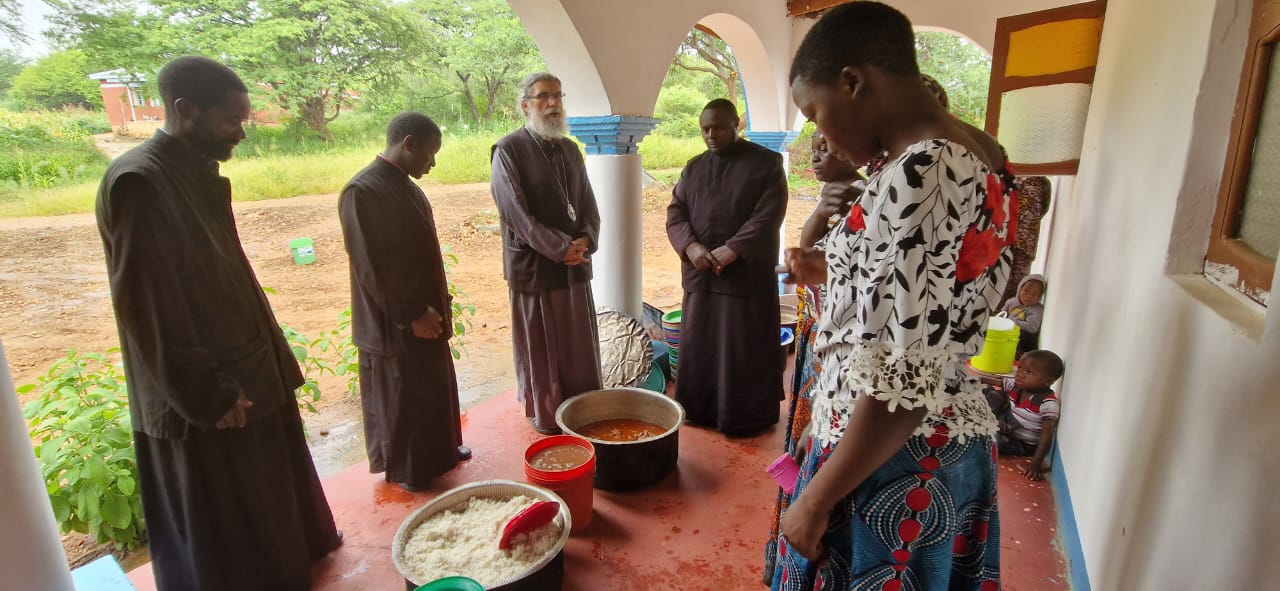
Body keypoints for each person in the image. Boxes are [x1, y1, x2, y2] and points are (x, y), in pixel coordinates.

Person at [773, 3, 1016, 589]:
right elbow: (916, 295)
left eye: (815, 112)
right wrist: (828, 269)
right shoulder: (962, 153)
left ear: (853, 83)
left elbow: (906, 378)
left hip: (899, 461)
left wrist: (815, 499)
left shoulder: (926, 171)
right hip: (889, 440)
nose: (819, 132)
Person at [95, 56, 340, 591]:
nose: (242, 132)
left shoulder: (190, 172)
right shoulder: (139, 183)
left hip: (247, 366)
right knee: (227, 527)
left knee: (265, 502)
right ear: (185, 110)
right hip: (209, 391)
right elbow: (150, 308)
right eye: (231, 120)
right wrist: (207, 391)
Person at [338, 112, 471, 492]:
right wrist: (411, 314)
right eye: (430, 153)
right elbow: (372, 268)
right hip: (395, 321)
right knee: (405, 395)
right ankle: (413, 469)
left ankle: (441, 451)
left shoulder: (406, 186)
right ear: (408, 143)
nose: (433, 163)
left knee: (431, 386)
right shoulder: (362, 191)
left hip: (427, 312)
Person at [763, 128, 863, 583]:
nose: (818, 157)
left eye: (828, 146)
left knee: (823, 453)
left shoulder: (868, 196)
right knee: (804, 443)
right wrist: (821, 209)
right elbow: (804, 256)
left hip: (846, 360)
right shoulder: (835, 195)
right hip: (819, 341)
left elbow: (807, 267)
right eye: (814, 150)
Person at [666, 98, 788, 436]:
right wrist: (690, 247)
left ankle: (744, 416)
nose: (711, 134)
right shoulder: (694, 167)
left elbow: (768, 215)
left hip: (745, 276)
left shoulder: (766, 163)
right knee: (703, 345)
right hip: (702, 274)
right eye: (705, 129)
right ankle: (701, 411)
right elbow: (676, 213)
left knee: (743, 348)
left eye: (718, 127)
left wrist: (732, 249)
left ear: (736, 123)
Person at [490, 72, 602, 434]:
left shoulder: (569, 149)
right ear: (526, 105)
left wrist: (586, 238)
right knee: (543, 346)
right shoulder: (508, 150)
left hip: (574, 264)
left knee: (576, 345)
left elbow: (587, 203)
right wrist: (559, 248)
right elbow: (515, 213)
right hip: (535, 266)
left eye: (557, 96)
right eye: (543, 97)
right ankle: (550, 416)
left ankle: (582, 409)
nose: (553, 103)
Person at [981, 349, 1064, 481]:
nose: (1020, 374)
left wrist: (1035, 464)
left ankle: (991, 425)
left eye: (1029, 372)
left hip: (1019, 442)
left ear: (1047, 381)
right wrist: (971, 378)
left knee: (988, 439)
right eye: (1020, 368)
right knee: (988, 391)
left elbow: (1046, 437)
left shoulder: (1047, 403)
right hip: (1007, 420)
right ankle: (991, 422)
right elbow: (992, 381)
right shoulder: (1017, 385)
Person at [1003, 175, 1052, 305]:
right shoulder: (1034, 182)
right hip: (1010, 243)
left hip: (1021, 246)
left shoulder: (1037, 182)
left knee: (1015, 289)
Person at [1001, 274, 1046, 358]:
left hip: (1023, 338)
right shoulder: (1011, 302)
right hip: (1007, 332)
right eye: (1026, 291)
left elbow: (1032, 328)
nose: (1029, 296)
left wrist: (1012, 322)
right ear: (1020, 289)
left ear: (1040, 296)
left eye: (1035, 294)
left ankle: (1018, 355)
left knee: (1024, 336)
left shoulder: (1037, 309)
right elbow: (1002, 314)